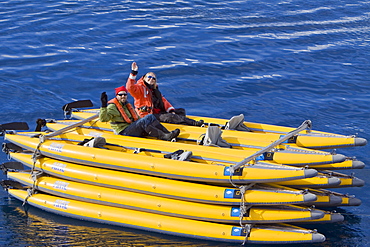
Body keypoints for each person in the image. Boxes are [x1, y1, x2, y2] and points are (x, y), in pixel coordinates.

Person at [126, 62, 204, 126]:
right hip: (147, 115)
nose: (151, 79)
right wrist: (133, 73)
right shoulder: (139, 89)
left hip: (158, 111)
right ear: (144, 78)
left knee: (181, 111)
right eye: (149, 77)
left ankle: (180, 121)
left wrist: (171, 109)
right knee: (170, 117)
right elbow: (129, 87)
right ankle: (194, 123)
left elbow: (163, 100)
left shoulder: (154, 89)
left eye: (153, 78)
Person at [99, 85, 180, 141]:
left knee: (150, 117)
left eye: (124, 94)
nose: (123, 96)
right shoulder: (112, 107)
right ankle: (164, 136)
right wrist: (103, 106)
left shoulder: (126, 105)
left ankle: (167, 133)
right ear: (117, 96)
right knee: (144, 121)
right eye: (120, 95)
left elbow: (136, 117)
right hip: (124, 131)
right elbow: (103, 119)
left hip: (131, 127)